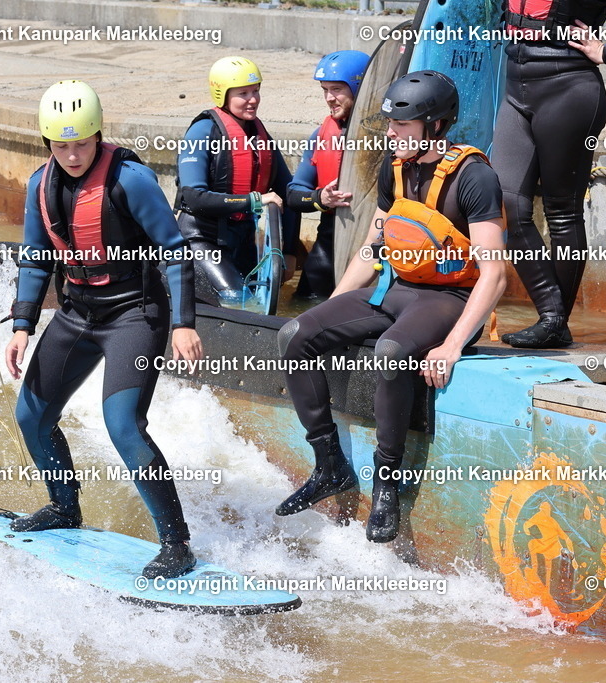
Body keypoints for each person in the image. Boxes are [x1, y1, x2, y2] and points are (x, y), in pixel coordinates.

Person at [275, 71, 507, 543]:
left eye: (402, 125)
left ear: (436, 126)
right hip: (396, 289)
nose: (390, 134)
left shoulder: (474, 176)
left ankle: (387, 480)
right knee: (294, 334)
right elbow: (372, 247)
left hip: (451, 299)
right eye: (390, 124)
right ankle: (329, 466)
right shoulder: (394, 167)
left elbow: (495, 273)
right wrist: (334, 309)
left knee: (392, 351)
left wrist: (453, 344)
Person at [4, 80, 203, 579]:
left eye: (82, 142)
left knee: (123, 426)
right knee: (30, 415)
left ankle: (177, 544)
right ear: (45, 141)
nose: (72, 155)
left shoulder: (130, 180)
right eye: (60, 144)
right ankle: (64, 507)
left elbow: (175, 254)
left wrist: (182, 324)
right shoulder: (38, 184)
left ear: (98, 133)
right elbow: (34, 257)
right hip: (77, 312)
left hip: (134, 314)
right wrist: (23, 324)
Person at [496, 0, 606, 348]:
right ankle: (553, 318)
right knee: (505, 205)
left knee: (562, 213)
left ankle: (553, 321)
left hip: (569, 88)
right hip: (516, 87)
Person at [175, 56, 301, 307]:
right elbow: (193, 197)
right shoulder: (202, 132)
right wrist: (252, 200)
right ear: (222, 95)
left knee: (257, 296)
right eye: (243, 93)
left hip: (242, 240)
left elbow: (288, 194)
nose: (253, 99)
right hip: (202, 240)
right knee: (239, 300)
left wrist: (290, 250)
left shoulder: (259, 135)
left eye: (256, 91)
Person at [287, 50, 370, 300]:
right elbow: (293, 195)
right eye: (325, 90)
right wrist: (320, 198)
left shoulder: (390, 135)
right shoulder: (321, 136)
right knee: (301, 308)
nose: (329, 98)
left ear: (359, 88)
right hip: (330, 241)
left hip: (376, 242)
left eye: (336, 89)